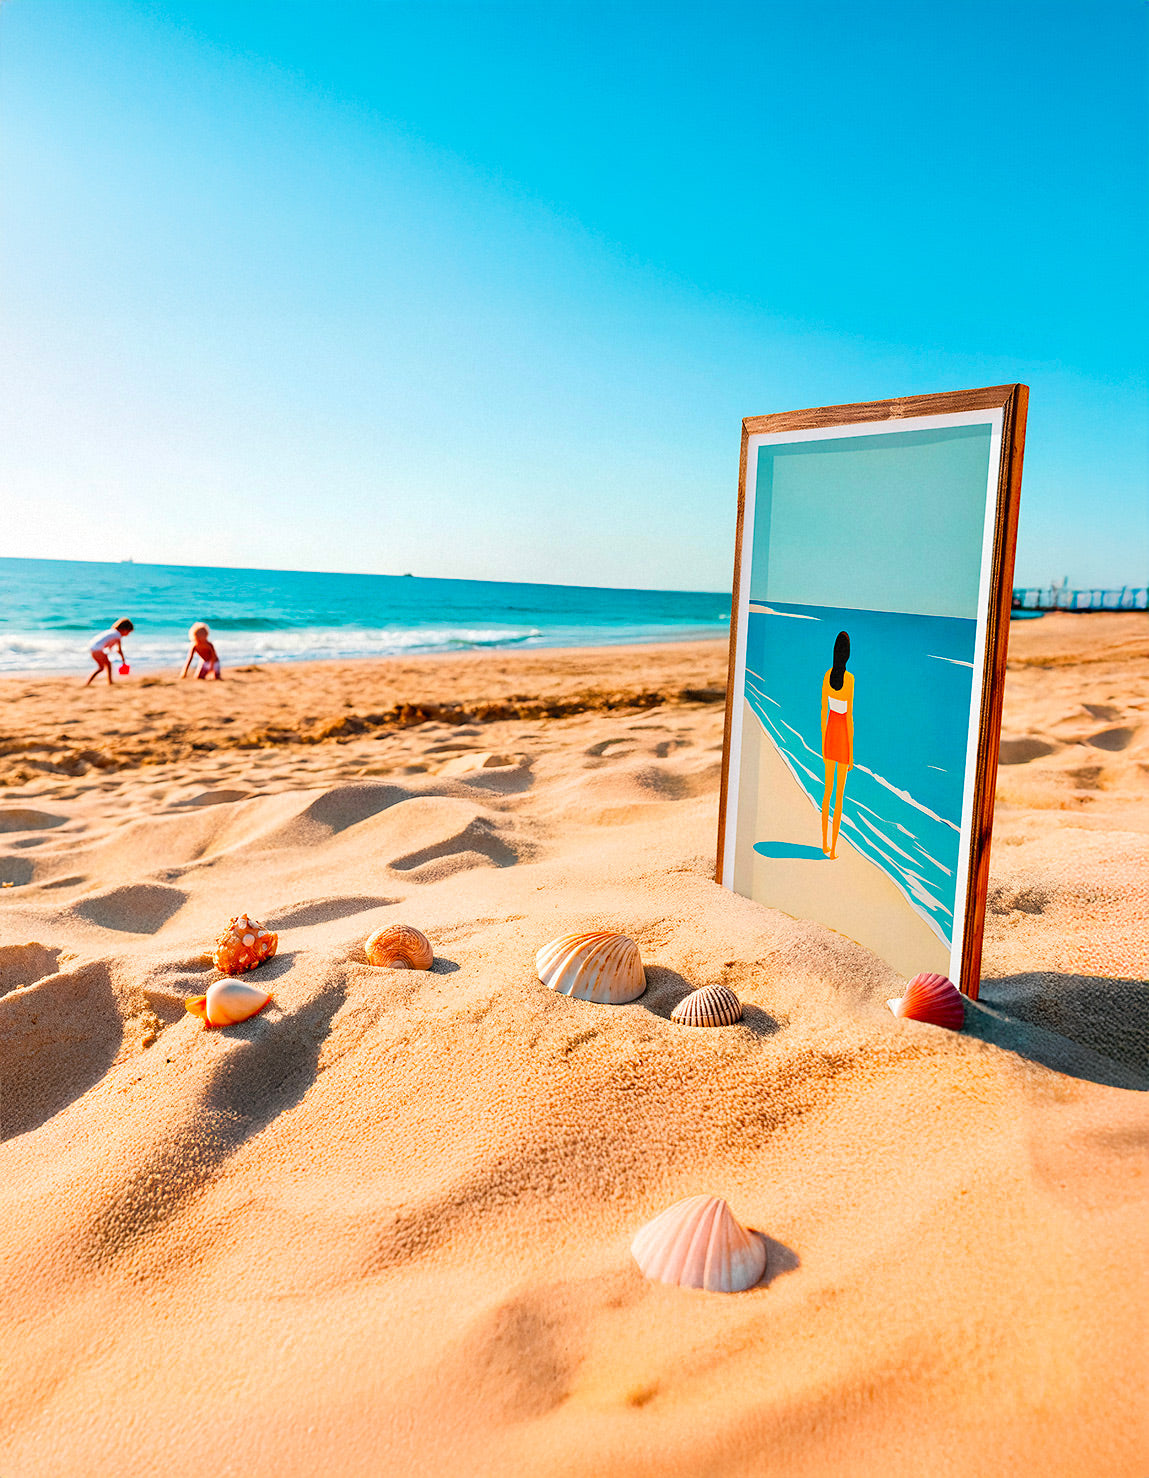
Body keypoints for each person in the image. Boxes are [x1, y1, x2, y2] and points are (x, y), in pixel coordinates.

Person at [820, 630, 853, 858]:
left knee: (826, 791)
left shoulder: (826, 676)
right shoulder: (849, 679)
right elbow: (849, 718)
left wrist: (823, 743)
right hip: (841, 734)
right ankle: (833, 850)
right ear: (847, 655)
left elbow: (823, 711)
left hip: (830, 733)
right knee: (839, 796)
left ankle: (824, 844)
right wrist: (851, 753)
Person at [85, 618, 133, 686]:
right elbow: (119, 650)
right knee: (105, 666)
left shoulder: (112, 632)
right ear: (124, 629)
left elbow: (107, 644)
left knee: (102, 667)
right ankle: (109, 682)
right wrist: (123, 660)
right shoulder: (117, 635)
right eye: (128, 632)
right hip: (97, 649)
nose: (128, 634)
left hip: (93, 647)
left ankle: (89, 682)